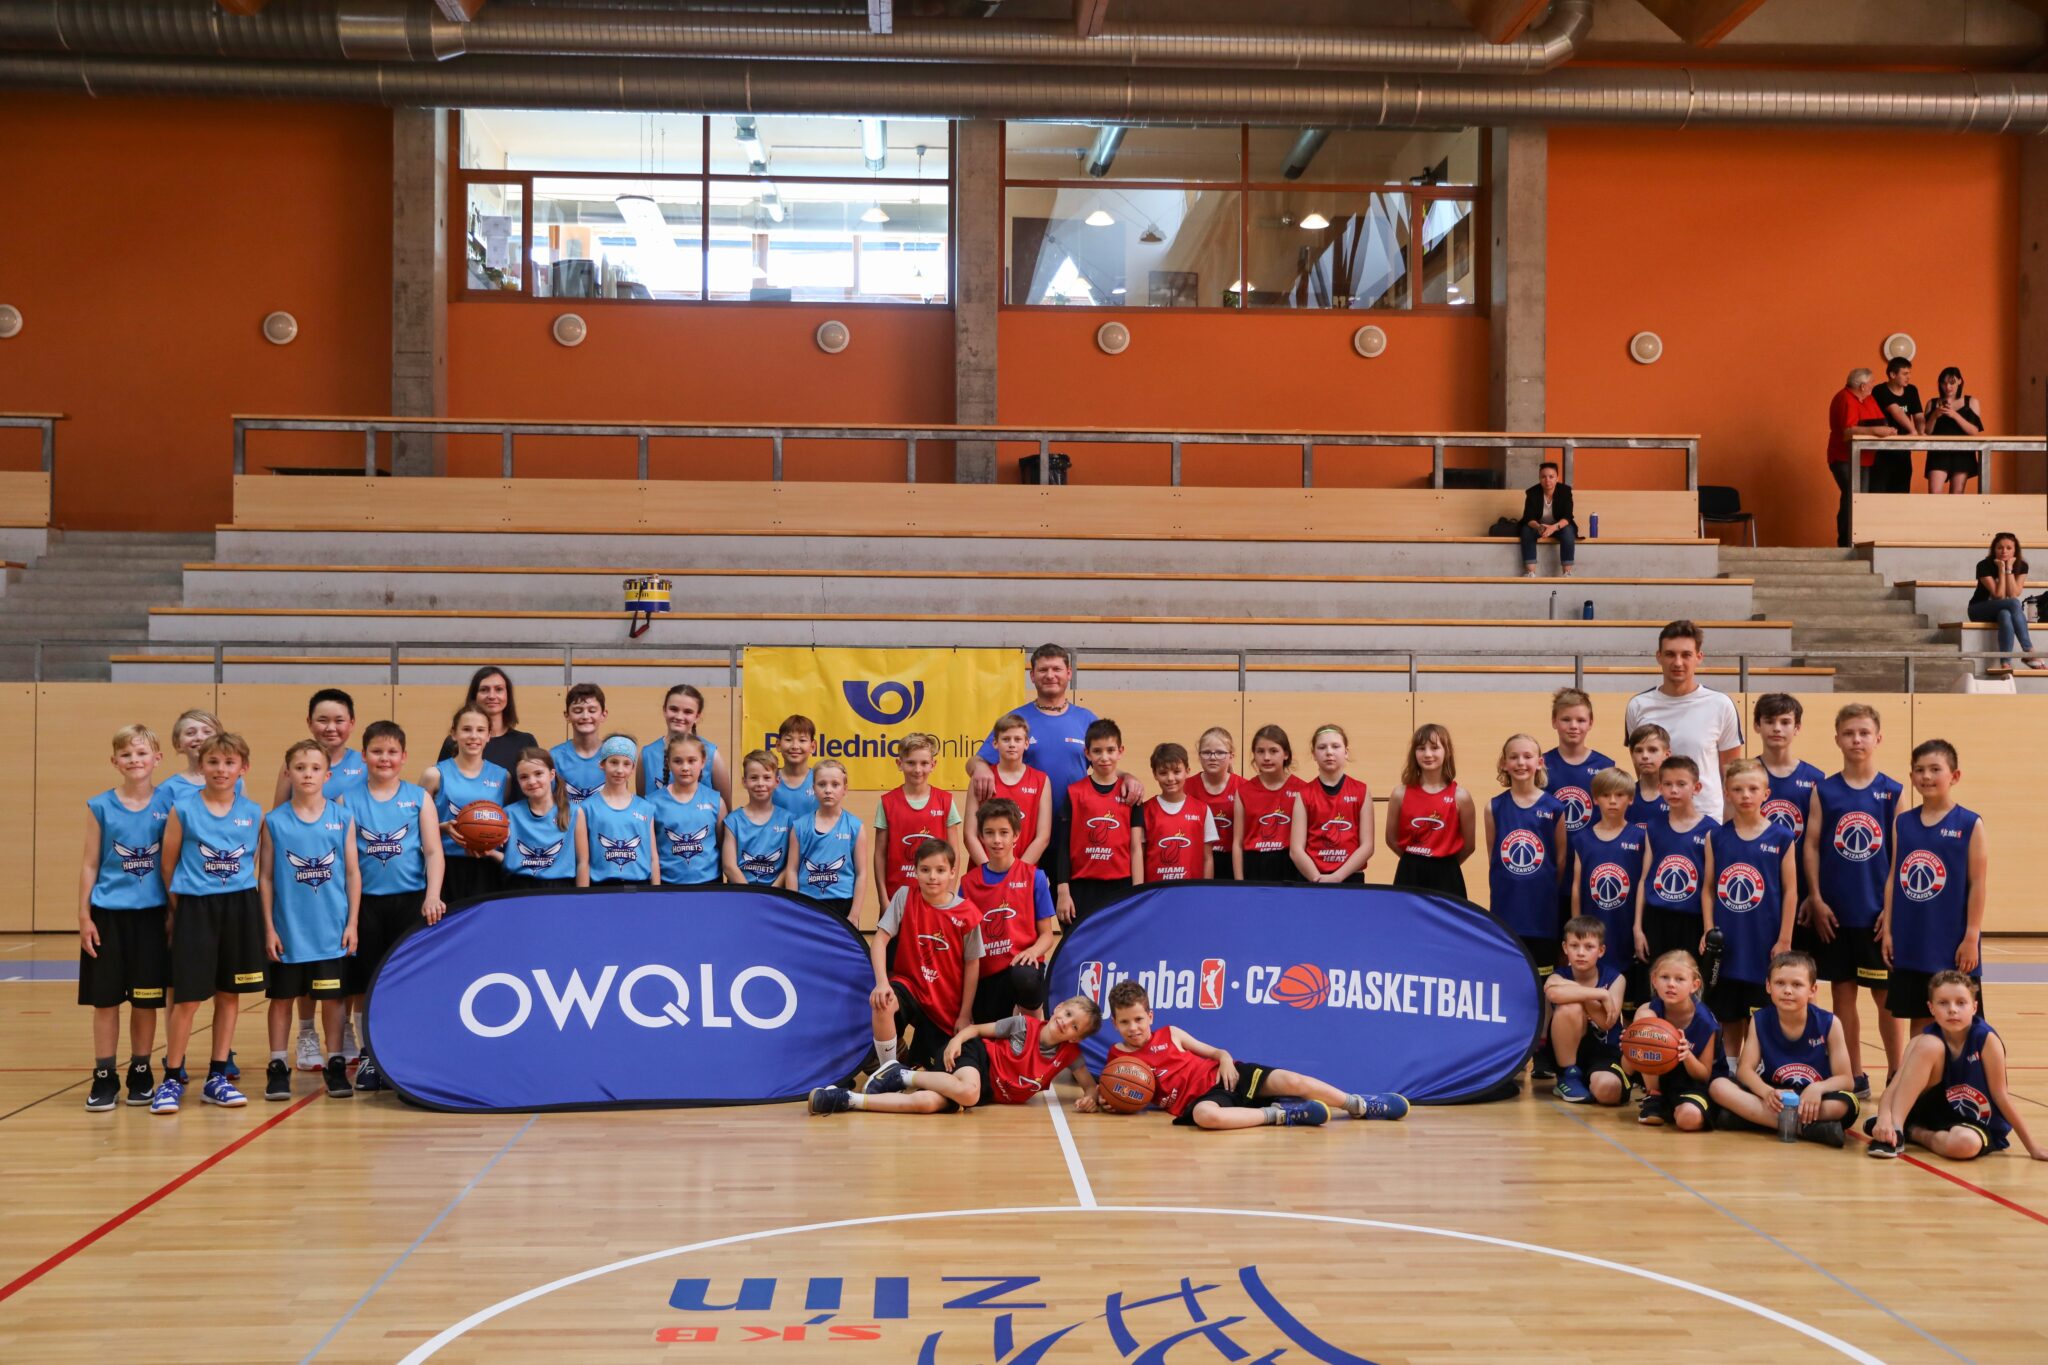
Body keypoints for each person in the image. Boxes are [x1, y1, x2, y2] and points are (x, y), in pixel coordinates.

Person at [1082, 980, 1409, 1128]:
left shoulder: (1171, 1033)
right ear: (1114, 1023)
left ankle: (1359, 1105)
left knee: (1293, 1080)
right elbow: (1113, 1090)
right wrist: (1098, 1101)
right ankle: (1282, 1115)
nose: (1134, 1028)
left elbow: (1216, 1051)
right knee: (1205, 1117)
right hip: (1205, 1100)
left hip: (1228, 1076)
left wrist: (1225, 1059)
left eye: (1139, 1019)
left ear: (1150, 1016)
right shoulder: (1117, 1058)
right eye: (1125, 1022)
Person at [966, 644, 1142, 894]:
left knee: (1068, 904)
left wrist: (1128, 776)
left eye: (1057, 669)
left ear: (1069, 673)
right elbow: (975, 761)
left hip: (1073, 832)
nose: (1050, 675)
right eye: (1043, 670)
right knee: (1022, 901)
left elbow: (1104, 764)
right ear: (1032, 676)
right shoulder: (1017, 720)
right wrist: (981, 767)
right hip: (1026, 835)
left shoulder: (1086, 719)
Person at [153, 732, 265, 1115]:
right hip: (195, 907)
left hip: (239, 906)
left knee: (229, 994)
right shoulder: (183, 809)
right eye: (213, 762)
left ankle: (217, 1076)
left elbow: (253, 862)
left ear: (243, 768)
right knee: (187, 998)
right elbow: (167, 865)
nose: (221, 769)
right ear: (201, 766)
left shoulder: (254, 812)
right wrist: (180, 908)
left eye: (229, 763)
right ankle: (171, 1077)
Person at [1803, 703, 1903, 1095]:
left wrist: (1892, 911)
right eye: (1849, 733)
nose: (1856, 739)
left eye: (1864, 733)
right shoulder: (1825, 790)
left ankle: (1897, 1074)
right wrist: (1815, 897)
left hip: (1875, 915)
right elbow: (1811, 846)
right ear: (1837, 739)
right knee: (1842, 995)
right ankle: (1854, 1075)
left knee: (1886, 998)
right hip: (1835, 915)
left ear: (1878, 738)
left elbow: (1901, 855)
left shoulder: (1892, 791)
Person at [257, 741, 360, 1103]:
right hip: (288, 930)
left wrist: (352, 923)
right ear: (288, 773)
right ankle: (277, 1065)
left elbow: (352, 873)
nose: (307, 774)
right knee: (282, 999)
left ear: (327, 775)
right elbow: (265, 877)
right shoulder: (273, 821)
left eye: (315, 768)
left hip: (331, 929)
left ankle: (335, 1063)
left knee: (333, 999)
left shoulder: (342, 817)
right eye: (300, 768)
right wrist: (268, 927)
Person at [348, 720, 446, 1092]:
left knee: (408, 979)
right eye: (377, 751)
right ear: (364, 756)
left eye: (392, 752)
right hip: (367, 903)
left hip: (410, 902)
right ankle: (368, 1055)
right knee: (366, 983)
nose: (384, 758)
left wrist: (432, 894)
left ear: (404, 757)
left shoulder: (418, 798)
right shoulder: (347, 801)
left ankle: (406, 1052)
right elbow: (346, 864)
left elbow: (433, 852)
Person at [78, 724, 171, 1112]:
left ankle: (141, 1070)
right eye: (127, 754)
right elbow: (89, 863)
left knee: (146, 1001)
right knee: (106, 1001)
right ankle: (104, 1074)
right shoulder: (100, 805)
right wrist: (84, 916)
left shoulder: (170, 803)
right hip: (108, 915)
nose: (135, 760)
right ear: (114, 761)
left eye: (142, 753)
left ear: (157, 758)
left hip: (152, 917)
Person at [808, 996, 1098, 1116]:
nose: (1066, 1023)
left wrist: (1091, 1098)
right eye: (1067, 1014)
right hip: (975, 1058)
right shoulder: (1023, 1025)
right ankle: (901, 1074)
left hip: (983, 1090)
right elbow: (976, 1030)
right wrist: (956, 1041)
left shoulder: (1069, 1054)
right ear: (1058, 1007)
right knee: (968, 1093)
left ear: (1076, 1038)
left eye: (1075, 1026)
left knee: (926, 1103)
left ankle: (846, 1100)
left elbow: (1089, 1085)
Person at [1865, 970, 2044, 1161]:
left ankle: (1914, 1132)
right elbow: (1893, 1089)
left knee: (1965, 1145)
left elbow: (2001, 1095)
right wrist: (1884, 1119)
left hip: (1973, 1121)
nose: (1952, 1009)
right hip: (1931, 1112)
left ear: (1974, 1007)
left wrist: (2032, 1147)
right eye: (1943, 1003)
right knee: (1927, 1044)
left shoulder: (1986, 1040)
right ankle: (1897, 1131)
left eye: (1961, 1003)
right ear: (1931, 1008)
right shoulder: (1923, 1042)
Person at [1881, 739, 1986, 1033]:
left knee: (1959, 1020)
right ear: (1911, 776)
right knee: (1919, 1019)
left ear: (1954, 776)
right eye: (1919, 770)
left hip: (1952, 941)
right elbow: (1893, 878)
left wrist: (1971, 936)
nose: (1926, 776)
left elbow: (1978, 884)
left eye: (1935, 769)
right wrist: (1888, 931)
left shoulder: (1970, 824)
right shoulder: (1902, 823)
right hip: (1911, 938)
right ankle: (1919, 1065)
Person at [1706, 951, 1855, 1147]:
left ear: (1812, 990)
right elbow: (1744, 1070)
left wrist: (1817, 1088)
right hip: (1774, 1097)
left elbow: (1846, 1080)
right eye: (1780, 983)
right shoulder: (1760, 1019)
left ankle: (1755, 1119)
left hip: (1811, 1099)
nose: (1787, 990)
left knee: (1843, 1105)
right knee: (1718, 1086)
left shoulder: (1830, 1023)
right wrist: (1766, 1092)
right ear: (1768, 986)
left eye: (1797, 984)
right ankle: (1807, 1129)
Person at [1703, 759, 1796, 1061]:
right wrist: (1708, 929)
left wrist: (1784, 939)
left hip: (1764, 940)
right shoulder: (1716, 836)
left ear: (1766, 793)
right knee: (1729, 1013)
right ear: (1727, 793)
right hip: (1729, 941)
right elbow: (1708, 889)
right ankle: (1731, 1067)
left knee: (1761, 1013)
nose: (1745, 795)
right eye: (1738, 789)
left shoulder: (1781, 837)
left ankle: (1756, 1067)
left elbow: (1791, 891)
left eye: (1753, 789)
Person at [1488, 734, 1568, 1079]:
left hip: (1542, 913)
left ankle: (1544, 1051)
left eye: (1527, 756)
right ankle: (1513, 1051)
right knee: (1512, 983)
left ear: (1540, 762)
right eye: (1514, 757)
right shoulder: (1494, 806)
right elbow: (1494, 857)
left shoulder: (1554, 808)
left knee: (1545, 984)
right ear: (1504, 763)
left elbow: (1559, 862)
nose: (1521, 763)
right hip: (1507, 913)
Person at [864, 839, 981, 1073]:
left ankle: (905, 1054)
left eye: (940, 870)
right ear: (915, 871)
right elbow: (880, 940)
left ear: (952, 872)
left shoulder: (967, 913)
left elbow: (972, 965)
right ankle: (888, 1073)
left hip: (943, 1003)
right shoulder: (905, 896)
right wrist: (882, 983)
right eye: (925, 870)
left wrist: (965, 1013)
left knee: (938, 1066)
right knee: (883, 1003)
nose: (932, 877)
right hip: (911, 987)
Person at [1624, 621, 1744, 819]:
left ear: (1699, 657)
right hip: (1657, 821)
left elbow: (1731, 775)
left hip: (1708, 819)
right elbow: (1642, 770)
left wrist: (1730, 827)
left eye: (1686, 655)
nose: (1678, 663)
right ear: (1659, 657)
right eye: (1670, 654)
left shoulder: (1720, 704)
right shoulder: (1638, 706)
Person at [959, 799, 1057, 1023]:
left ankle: (1033, 1028)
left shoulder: (1034, 877)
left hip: (1020, 967)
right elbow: (962, 942)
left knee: (1026, 976)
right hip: (985, 973)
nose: (997, 840)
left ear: (1016, 836)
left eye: (1004, 833)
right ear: (981, 837)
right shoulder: (968, 883)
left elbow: (1047, 936)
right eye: (989, 833)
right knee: (988, 1036)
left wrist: (1032, 952)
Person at [422, 703, 510, 904]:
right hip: (446, 866)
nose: (473, 736)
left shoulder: (503, 777)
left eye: (480, 730)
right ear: (453, 734)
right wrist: (442, 828)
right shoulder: (434, 775)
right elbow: (414, 827)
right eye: (466, 729)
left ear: (489, 735)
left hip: (488, 866)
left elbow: (504, 821)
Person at [1568, 767, 1646, 987]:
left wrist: (1639, 926)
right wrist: (1576, 927)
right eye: (1605, 795)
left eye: (1619, 795)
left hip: (1626, 925)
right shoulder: (1582, 838)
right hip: (1593, 926)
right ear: (1595, 799)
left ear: (1630, 799)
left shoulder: (1641, 837)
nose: (1612, 801)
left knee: (1628, 994)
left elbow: (1643, 884)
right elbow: (1577, 887)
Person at [1637, 756, 1715, 973]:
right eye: (1668, 784)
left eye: (1681, 784)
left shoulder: (1710, 830)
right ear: (1660, 788)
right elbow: (1644, 879)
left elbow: (1709, 886)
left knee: (1687, 979)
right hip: (1656, 919)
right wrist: (1637, 927)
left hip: (1692, 920)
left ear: (1696, 788)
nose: (1674, 790)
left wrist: (1707, 928)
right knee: (1657, 979)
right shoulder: (1653, 827)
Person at [1060, 719, 1142, 922]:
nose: (1104, 757)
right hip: (1082, 886)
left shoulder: (1132, 795)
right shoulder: (1074, 792)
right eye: (1097, 751)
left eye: (1110, 750)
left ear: (1120, 751)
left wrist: (1138, 893)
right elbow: (1064, 846)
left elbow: (1136, 848)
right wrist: (1063, 890)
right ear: (1087, 753)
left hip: (1122, 885)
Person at [1634, 950, 1722, 1131]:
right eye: (1665, 977)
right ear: (1654, 980)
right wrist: (1632, 1049)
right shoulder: (1650, 1011)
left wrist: (1687, 1055)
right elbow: (1628, 1066)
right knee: (1645, 1026)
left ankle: (1682, 1109)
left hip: (1695, 1086)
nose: (1671, 984)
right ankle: (1654, 1097)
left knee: (1688, 1119)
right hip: (1664, 1081)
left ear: (1694, 985)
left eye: (1680, 979)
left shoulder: (1705, 1022)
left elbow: (1704, 1075)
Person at [1753, 694, 1822, 921]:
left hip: (1801, 888)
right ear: (1757, 726)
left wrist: (1814, 894)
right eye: (1769, 721)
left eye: (1785, 722)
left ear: (1797, 728)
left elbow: (1818, 843)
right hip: (1757, 883)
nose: (1777, 728)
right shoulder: (1744, 774)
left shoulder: (1815, 778)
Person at [874, 732, 963, 907]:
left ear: (933, 765)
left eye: (924, 763)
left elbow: (954, 852)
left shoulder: (945, 801)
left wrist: (950, 892)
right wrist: (883, 898)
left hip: (936, 896)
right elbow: (880, 854)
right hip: (896, 897)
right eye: (911, 763)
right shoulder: (887, 802)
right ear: (899, 764)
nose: (917, 769)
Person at [1547, 915, 1628, 1106]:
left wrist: (1579, 994)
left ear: (1601, 951)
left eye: (1589, 947)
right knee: (1570, 1007)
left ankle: (1588, 1081)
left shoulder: (1616, 979)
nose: (1581, 953)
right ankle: (1568, 1075)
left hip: (1604, 1052)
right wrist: (1599, 994)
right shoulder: (1558, 975)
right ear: (1565, 948)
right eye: (1574, 946)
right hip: (1569, 1053)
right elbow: (1554, 994)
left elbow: (1607, 1022)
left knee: (1608, 1091)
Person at [1385, 724, 1472, 895]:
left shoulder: (1461, 796)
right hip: (1409, 872)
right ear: (1414, 753)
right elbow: (1391, 839)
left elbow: (1469, 845)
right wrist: (1415, 862)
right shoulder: (1400, 793)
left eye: (1434, 747)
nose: (1428, 754)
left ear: (1447, 751)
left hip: (1447, 874)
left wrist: (1442, 865)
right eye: (1421, 748)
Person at [963, 713, 1050, 869]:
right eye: (1006, 739)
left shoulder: (1041, 780)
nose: (1012, 744)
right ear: (995, 743)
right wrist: (988, 870)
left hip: (1024, 871)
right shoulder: (981, 778)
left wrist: (1018, 871)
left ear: (1027, 743)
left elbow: (1043, 837)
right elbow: (969, 835)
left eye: (1017, 739)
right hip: (983, 869)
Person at [1294, 723, 1376, 886]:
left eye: (1335, 746)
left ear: (1346, 752)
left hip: (1351, 877)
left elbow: (1367, 846)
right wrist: (1317, 878)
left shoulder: (1361, 791)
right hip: (1313, 878)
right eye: (1322, 747)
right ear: (1314, 754)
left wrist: (1337, 877)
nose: (1329, 752)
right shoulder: (1303, 794)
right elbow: (1296, 849)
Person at [576, 735, 657, 887]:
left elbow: (653, 859)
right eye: (613, 762)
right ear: (602, 764)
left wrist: (656, 893)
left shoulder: (645, 808)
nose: (620, 770)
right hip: (602, 888)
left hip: (640, 888)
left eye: (626, 764)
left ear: (633, 768)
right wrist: (583, 897)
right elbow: (583, 862)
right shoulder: (586, 808)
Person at [269, 688, 367, 810]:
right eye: (322, 720)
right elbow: (278, 813)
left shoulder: (365, 763)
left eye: (339, 721)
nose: (331, 728)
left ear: (352, 723)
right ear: (309, 722)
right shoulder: (294, 761)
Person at [792, 759, 866, 920]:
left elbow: (861, 874)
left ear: (845, 789)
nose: (828, 790)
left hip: (843, 903)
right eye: (822, 784)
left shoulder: (855, 826)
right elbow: (792, 870)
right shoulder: (799, 826)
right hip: (807, 902)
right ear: (813, 788)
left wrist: (854, 915)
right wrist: (794, 907)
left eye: (835, 784)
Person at [1826, 367, 1892, 547]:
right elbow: (1848, 431)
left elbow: (1880, 421)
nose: (1873, 385)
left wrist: (1886, 430)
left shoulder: (1869, 399)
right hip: (1844, 458)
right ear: (1862, 386)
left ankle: (1856, 539)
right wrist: (1876, 430)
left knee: (1859, 499)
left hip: (1865, 458)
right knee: (1852, 496)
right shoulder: (1844, 398)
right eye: (1871, 382)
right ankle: (1846, 542)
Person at [648, 735, 724, 888]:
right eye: (678, 761)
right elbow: (651, 854)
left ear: (703, 761)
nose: (685, 767)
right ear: (668, 763)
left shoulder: (716, 801)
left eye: (691, 760)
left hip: (710, 885)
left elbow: (723, 846)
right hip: (668, 886)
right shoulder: (652, 803)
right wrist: (655, 891)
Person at [1234, 724, 1306, 882]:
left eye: (1273, 751)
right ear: (1254, 754)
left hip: (1290, 864)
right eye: (1260, 751)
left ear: (1286, 754)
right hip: (1255, 865)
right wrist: (1239, 883)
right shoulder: (1244, 791)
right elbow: (1237, 843)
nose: (1266, 757)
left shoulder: (1302, 790)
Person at [435, 665, 538, 774]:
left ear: (507, 695)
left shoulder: (526, 742)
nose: (492, 696)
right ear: (474, 696)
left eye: (499, 689)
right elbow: (441, 779)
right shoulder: (455, 742)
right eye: (484, 690)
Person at [498, 749, 576, 889]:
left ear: (551, 774)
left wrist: (582, 897)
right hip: (518, 887)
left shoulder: (574, 812)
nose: (532, 781)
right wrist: (488, 853)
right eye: (524, 777)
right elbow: (510, 859)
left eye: (538, 773)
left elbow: (583, 862)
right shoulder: (509, 814)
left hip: (561, 888)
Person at [639, 683, 728, 803]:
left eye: (688, 712)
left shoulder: (712, 754)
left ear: (697, 716)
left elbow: (725, 808)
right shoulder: (647, 754)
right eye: (673, 709)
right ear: (664, 710)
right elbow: (641, 806)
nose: (679, 716)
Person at [1139, 743, 1215, 883]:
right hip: (1156, 892)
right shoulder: (1145, 810)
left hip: (1190, 891)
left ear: (1187, 771)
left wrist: (1205, 890)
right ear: (1155, 774)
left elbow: (1208, 858)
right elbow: (1139, 857)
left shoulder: (1202, 810)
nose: (1170, 778)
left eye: (1176, 771)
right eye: (1163, 773)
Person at [1542, 687, 1612, 839]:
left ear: (1590, 723)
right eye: (1566, 719)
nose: (1573, 726)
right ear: (1554, 721)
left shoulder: (1605, 766)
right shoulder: (1540, 765)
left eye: (1581, 720)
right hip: (1551, 850)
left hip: (1591, 850)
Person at [1967, 532, 2041, 672]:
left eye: (2009, 548)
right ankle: (2029, 650)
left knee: (2005, 614)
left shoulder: (2022, 566)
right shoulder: (1984, 565)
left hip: (2003, 609)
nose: (2004, 551)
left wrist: (2009, 569)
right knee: (2013, 603)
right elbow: (1999, 595)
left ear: (2015, 550)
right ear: (1994, 549)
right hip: (1979, 609)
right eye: (2000, 548)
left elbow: (2013, 593)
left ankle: (2005, 662)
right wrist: (2002, 569)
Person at [722, 750, 794, 887]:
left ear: (777, 781)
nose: (760, 783)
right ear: (744, 782)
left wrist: (772, 893)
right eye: (754, 778)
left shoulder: (788, 820)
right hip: (741, 892)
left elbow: (791, 865)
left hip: (775, 894)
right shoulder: (733, 821)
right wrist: (751, 895)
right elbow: (729, 866)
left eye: (767, 778)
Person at [1191, 727, 1244, 880]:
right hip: (1197, 860)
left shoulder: (1244, 788)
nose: (1213, 757)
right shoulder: (1186, 787)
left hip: (1232, 861)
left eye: (1220, 753)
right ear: (1199, 756)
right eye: (1207, 752)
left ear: (1231, 756)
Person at [1921, 366, 1984, 495]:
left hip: (1962, 452)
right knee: (1934, 492)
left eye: (1952, 383)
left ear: (1960, 381)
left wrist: (1954, 415)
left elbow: (1974, 431)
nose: (1948, 387)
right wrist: (1935, 415)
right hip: (1938, 452)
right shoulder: (1932, 403)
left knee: (1957, 493)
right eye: (1944, 383)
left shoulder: (1971, 402)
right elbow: (1927, 431)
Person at [549, 682, 610, 804]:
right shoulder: (554, 757)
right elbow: (548, 804)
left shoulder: (612, 754)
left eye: (592, 710)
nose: (585, 716)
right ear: (567, 715)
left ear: (603, 715)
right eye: (578, 711)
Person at [1870, 355, 1921, 493]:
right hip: (1882, 450)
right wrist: (1913, 432)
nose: (1908, 377)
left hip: (1903, 450)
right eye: (1905, 374)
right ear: (1892, 374)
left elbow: (1919, 416)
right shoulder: (1879, 390)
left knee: (1902, 493)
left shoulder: (1912, 390)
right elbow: (1895, 410)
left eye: (1909, 373)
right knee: (1879, 493)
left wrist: (1921, 433)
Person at [1518, 460, 1577, 579]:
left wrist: (1553, 528)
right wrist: (1539, 527)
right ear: (1539, 478)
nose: (1547, 480)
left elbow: (1567, 517)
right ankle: (1530, 572)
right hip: (1540, 527)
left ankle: (1567, 572)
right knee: (1526, 530)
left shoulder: (1565, 491)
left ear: (1557, 478)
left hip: (1559, 526)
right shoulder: (1532, 492)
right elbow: (1528, 517)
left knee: (1568, 531)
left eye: (1551, 476)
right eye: (1543, 477)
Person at [769, 714, 819, 822]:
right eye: (788, 739)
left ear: (813, 746)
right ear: (778, 745)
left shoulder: (820, 780)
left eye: (802, 740)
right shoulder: (768, 779)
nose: (795, 746)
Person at [1624, 723, 1671, 826]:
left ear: (1667, 755)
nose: (1645, 756)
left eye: (1652, 750)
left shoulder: (1677, 796)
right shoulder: (1623, 796)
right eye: (1639, 750)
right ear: (1632, 755)